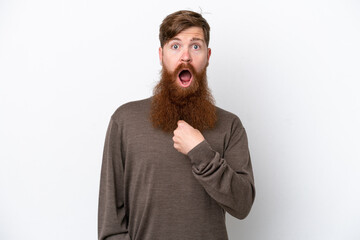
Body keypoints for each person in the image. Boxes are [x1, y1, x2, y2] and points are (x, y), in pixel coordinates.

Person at [98, 10, 255, 240]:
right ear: (161, 55)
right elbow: (110, 223)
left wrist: (201, 152)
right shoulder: (125, 121)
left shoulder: (230, 125)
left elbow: (242, 205)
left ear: (208, 55)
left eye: (195, 46)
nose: (185, 57)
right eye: (175, 46)